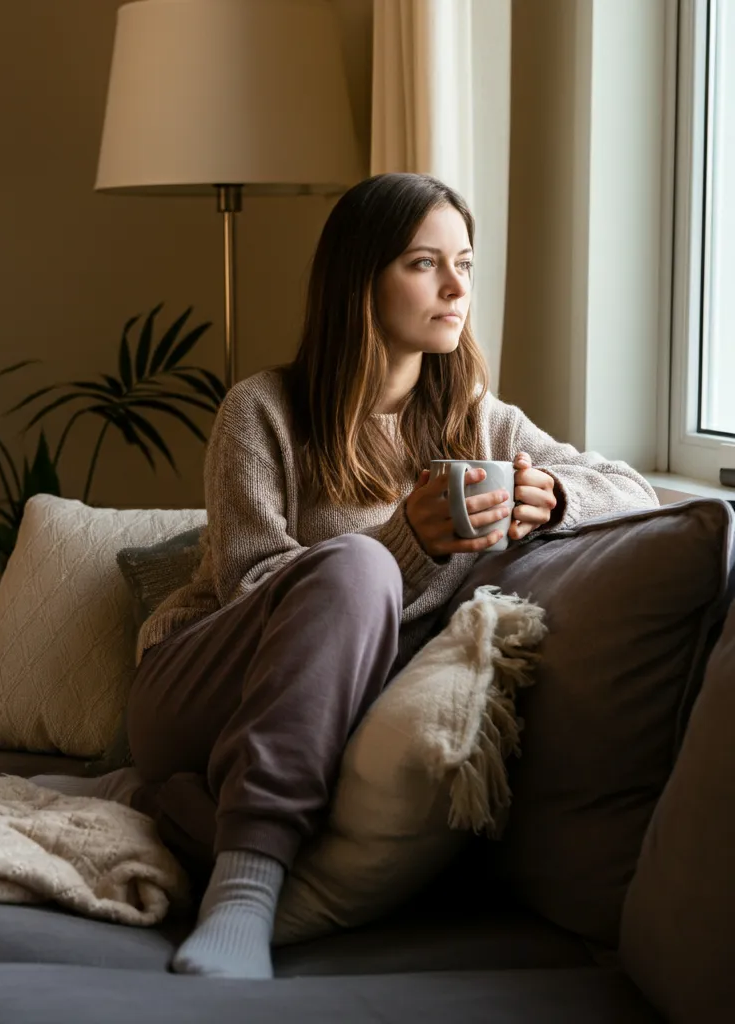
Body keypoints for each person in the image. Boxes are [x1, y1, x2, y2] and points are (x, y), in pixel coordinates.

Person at [34, 173, 658, 980]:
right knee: (358, 563)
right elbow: (256, 591)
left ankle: (177, 807)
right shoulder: (261, 411)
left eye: (464, 262)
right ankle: (244, 894)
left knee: (365, 604)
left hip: (317, 710)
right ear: (360, 279)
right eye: (423, 263)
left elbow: (637, 490)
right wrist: (406, 539)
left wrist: (559, 493)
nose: (455, 285)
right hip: (195, 683)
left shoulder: (480, 420)